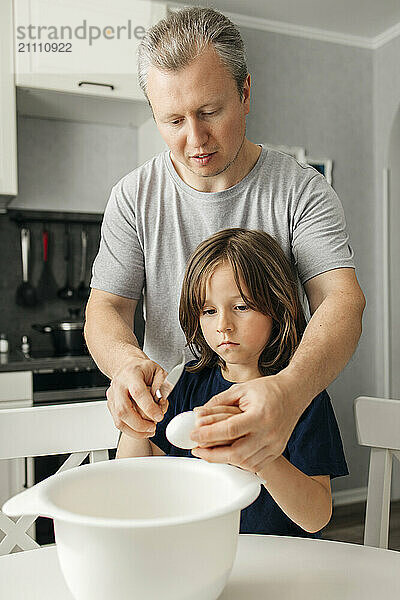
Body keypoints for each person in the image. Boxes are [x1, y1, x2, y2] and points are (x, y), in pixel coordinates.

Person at [85, 7, 365, 471]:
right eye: (173, 121)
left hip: (270, 425)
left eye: (210, 111)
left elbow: (341, 300)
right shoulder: (133, 197)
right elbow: (106, 308)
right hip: (171, 437)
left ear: (246, 92)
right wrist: (125, 363)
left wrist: (290, 392)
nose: (196, 139)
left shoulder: (300, 189)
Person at [117, 229, 348, 537]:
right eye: (209, 311)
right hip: (197, 554)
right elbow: (132, 486)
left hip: (282, 562)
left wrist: (261, 458)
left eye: (241, 307)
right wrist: (137, 425)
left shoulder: (300, 395)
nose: (223, 325)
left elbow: (316, 516)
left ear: (276, 307)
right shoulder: (184, 385)